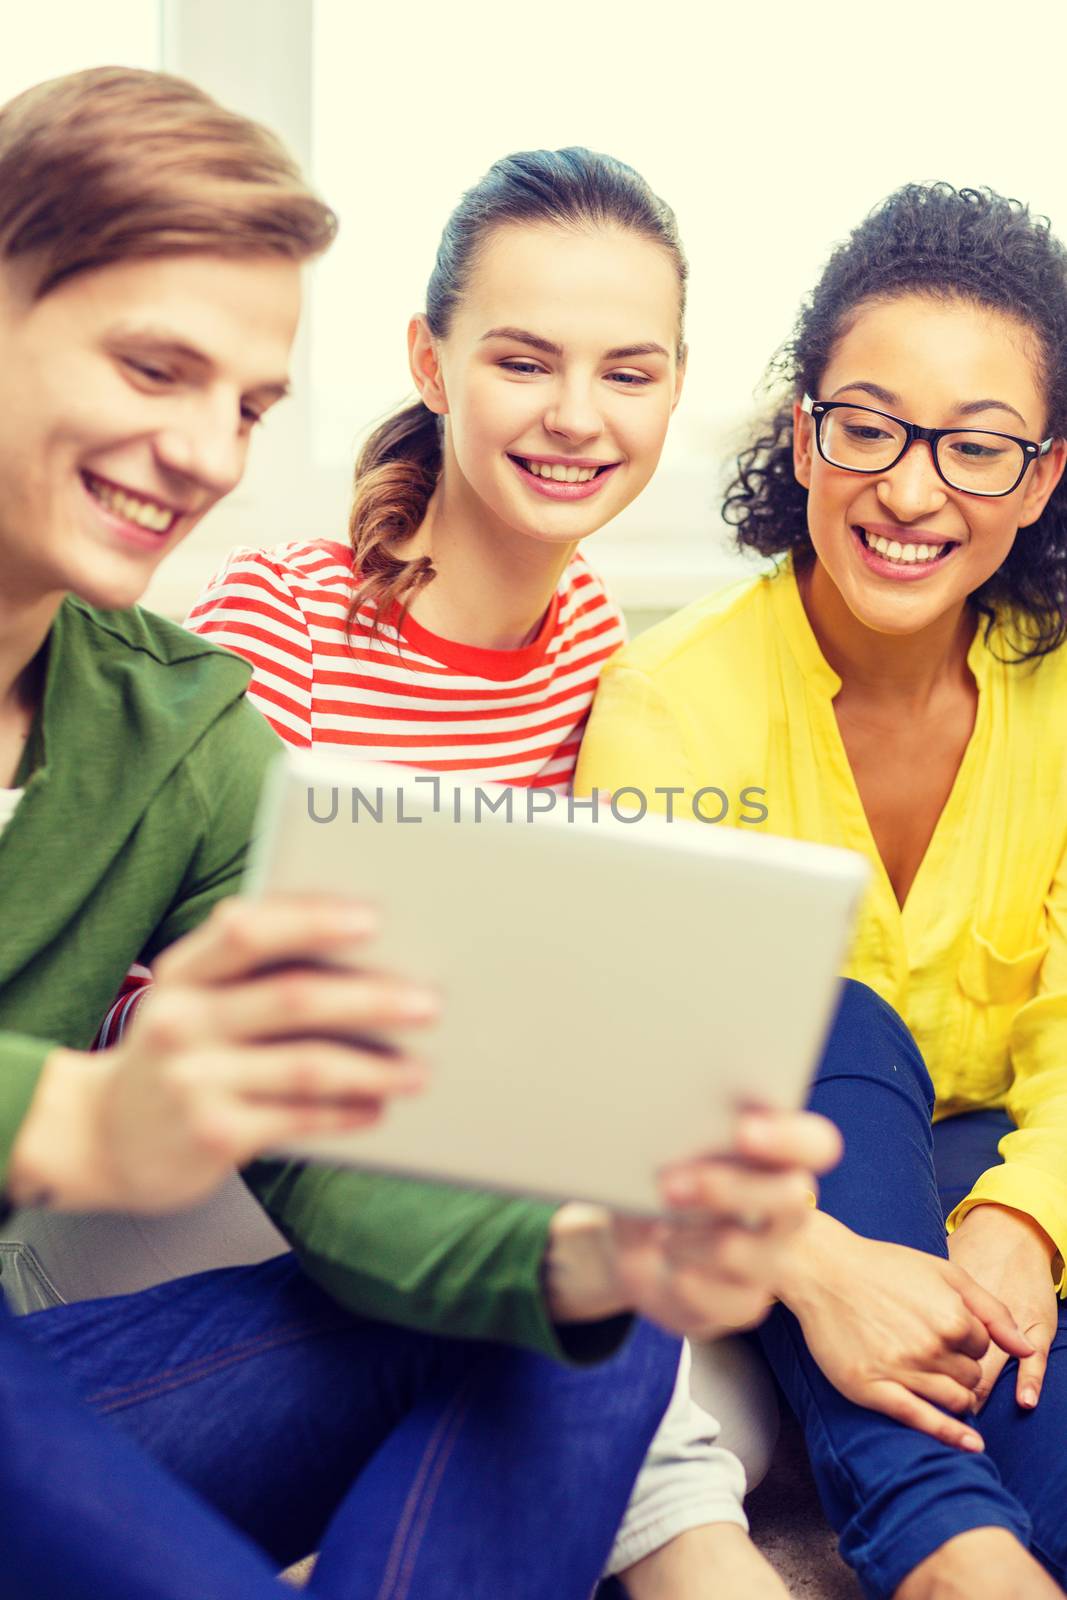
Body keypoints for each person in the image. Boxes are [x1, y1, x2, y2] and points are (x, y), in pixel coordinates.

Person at [0, 67, 842, 1600]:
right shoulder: (263, 638)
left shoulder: (171, 719)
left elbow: (334, 1110)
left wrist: (591, 1255)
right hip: (148, 1210)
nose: (206, 454)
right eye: (151, 370)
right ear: (434, 366)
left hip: (224, 1261)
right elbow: (183, 1084)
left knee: (594, 1319)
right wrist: (84, 1117)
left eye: (248, 404)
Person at [576, 182, 1067, 1600]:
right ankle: (940, 1543)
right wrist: (830, 1268)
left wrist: (1024, 1221)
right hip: (776, 1213)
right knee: (820, 1011)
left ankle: (955, 1528)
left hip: (1001, 1192)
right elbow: (655, 1073)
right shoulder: (672, 707)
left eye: (977, 449)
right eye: (868, 428)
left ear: (1040, 479)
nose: (911, 492)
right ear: (804, 437)